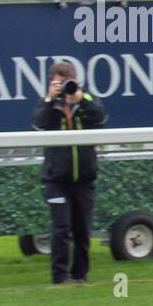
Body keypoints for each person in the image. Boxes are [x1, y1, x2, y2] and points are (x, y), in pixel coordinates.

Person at [32, 60, 108, 284]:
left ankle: (81, 276)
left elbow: (101, 117)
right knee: (62, 228)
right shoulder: (48, 104)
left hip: (83, 179)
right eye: (58, 83)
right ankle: (59, 277)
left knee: (82, 229)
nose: (63, 87)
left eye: (66, 82)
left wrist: (80, 99)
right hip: (56, 179)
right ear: (51, 83)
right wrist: (49, 99)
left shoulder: (86, 99)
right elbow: (38, 124)